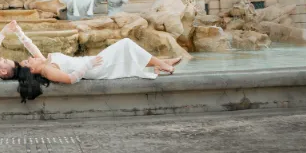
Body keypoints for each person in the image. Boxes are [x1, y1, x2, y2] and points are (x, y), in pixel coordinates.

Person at [11, 26, 182, 102]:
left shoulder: (44, 62)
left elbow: (30, 45)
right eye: (28, 60)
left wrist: (17, 30)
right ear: (32, 69)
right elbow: (70, 79)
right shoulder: (48, 70)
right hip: (94, 68)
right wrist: (89, 65)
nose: (31, 57)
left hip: (93, 63)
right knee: (126, 45)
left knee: (125, 49)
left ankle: (161, 63)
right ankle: (163, 64)